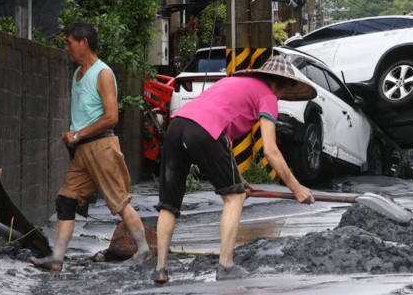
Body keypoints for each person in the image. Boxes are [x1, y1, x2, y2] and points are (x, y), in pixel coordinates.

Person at [153, 55, 318, 284]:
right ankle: (226, 265)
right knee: (235, 197)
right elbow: (270, 150)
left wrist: (238, 178)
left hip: (177, 126)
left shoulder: (231, 82)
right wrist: (297, 187)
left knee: (169, 204)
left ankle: (161, 269)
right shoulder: (268, 96)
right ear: (283, 83)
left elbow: (223, 142)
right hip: (203, 131)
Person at [30, 21, 151, 272]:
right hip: (83, 151)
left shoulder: (103, 73)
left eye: (70, 42)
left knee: (119, 201)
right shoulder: (78, 74)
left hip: (102, 147)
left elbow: (111, 117)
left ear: (84, 42)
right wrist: (76, 136)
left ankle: (144, 250)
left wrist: (78, 134)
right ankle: (57, 259)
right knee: (65, 200)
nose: (67, 48)